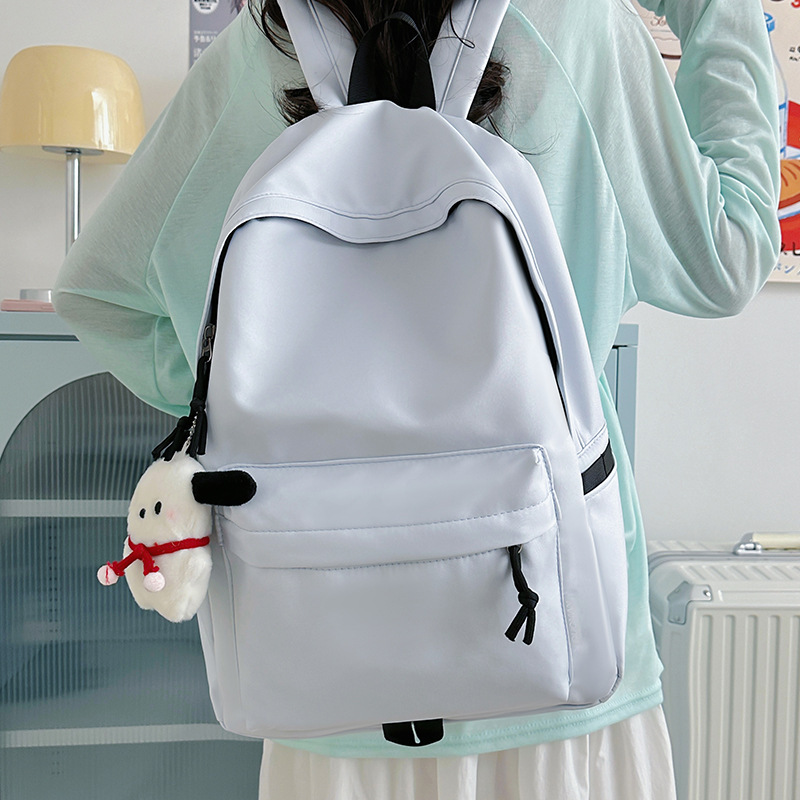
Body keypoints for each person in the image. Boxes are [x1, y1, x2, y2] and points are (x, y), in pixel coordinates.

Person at [53, 0, 779, 797]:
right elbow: (729, 254)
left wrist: (248, 404)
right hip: (554, 640)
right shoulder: (578, 24)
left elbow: (101, 293)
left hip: (327, 675)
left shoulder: (260, 50)